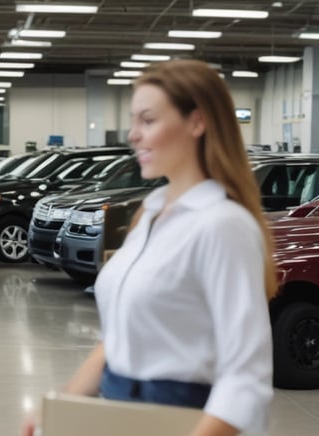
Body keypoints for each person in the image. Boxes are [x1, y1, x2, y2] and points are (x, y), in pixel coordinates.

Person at [23, 59, 276, 436]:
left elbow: (246, 378)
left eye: (148, 120)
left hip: (183, 418)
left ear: (197, 122)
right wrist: (61, 409)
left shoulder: (222, 225)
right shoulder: (152, 213)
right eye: (133, 120)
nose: (133, 135)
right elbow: (119, 338)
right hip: (121, 412)